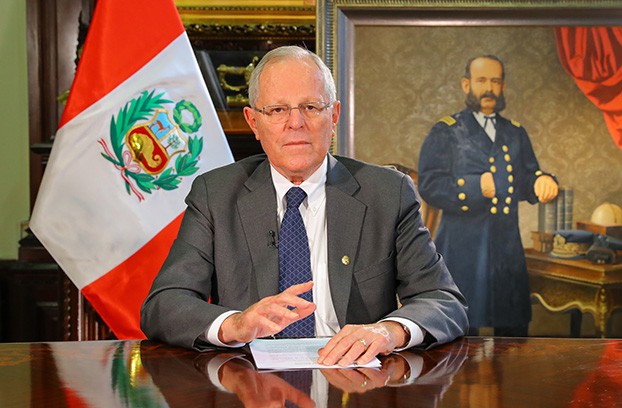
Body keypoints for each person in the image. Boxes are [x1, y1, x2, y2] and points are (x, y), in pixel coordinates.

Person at [141, 46, 468, 366]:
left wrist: (388, 331)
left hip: (357, 383)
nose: (295, 122)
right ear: (254, 122)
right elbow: (164, 304)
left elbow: (443, 300)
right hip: (250, 385)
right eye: (278, 110)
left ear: (334, 115)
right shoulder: (216, 194)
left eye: (311, 107)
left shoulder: (387, 192)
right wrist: (234, 325)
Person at [417, 55, 559, 336]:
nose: (489, 88)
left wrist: (543, 181)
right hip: (463, 250)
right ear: (466, 84)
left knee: (513, 337)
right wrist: (474, 186)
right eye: (482, 80)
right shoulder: (447, 131)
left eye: (495, 81)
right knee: (462, 337)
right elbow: (430, 186)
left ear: (502, 85)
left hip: (506, 248)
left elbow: (527, 178)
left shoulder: (515, 132)